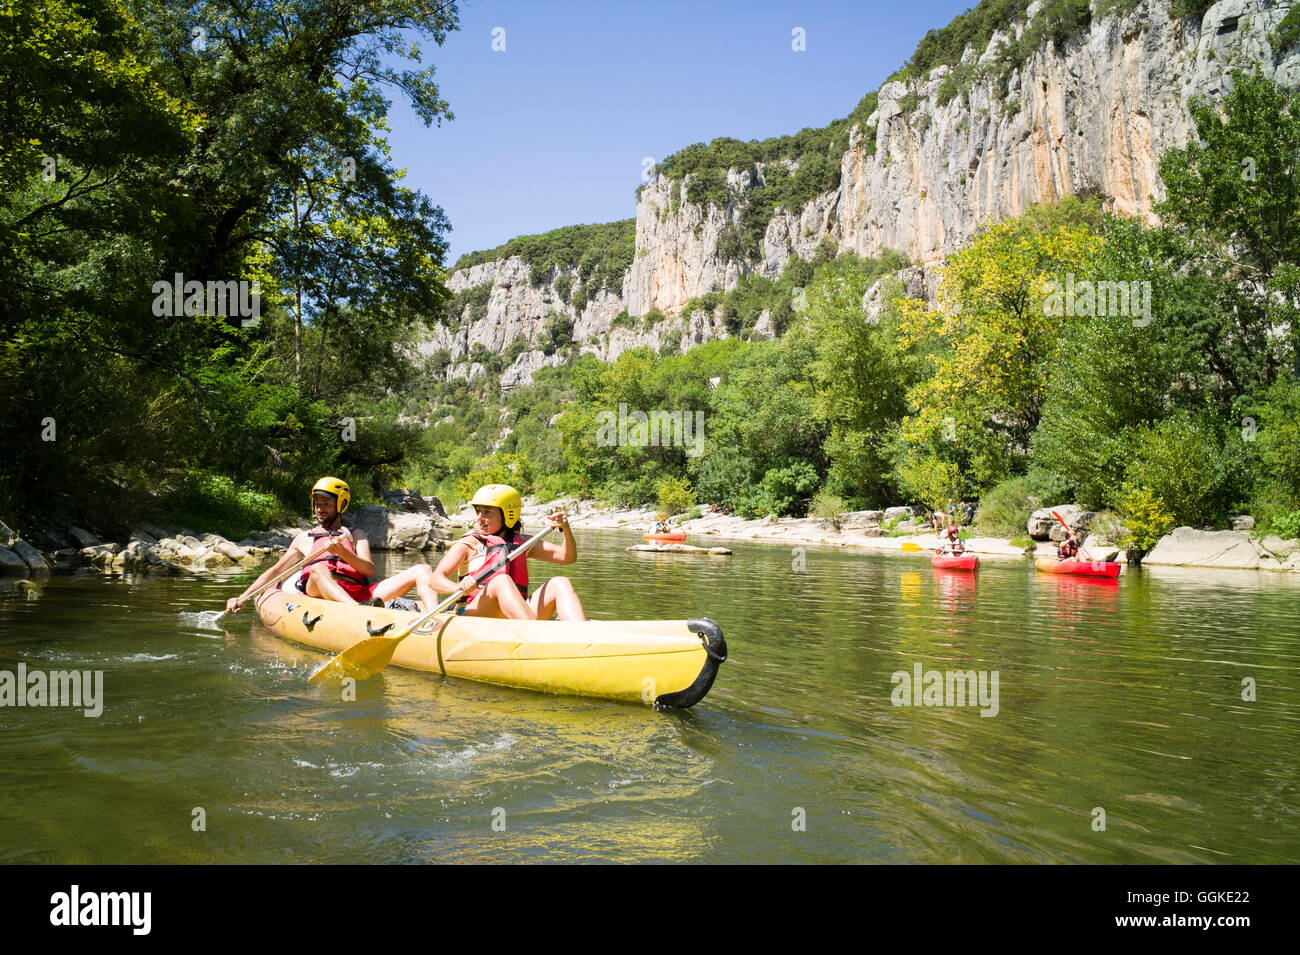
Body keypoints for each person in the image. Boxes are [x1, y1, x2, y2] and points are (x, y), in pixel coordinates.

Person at [225, 477, 440, 613]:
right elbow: (275, 572)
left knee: (423, 569)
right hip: (322, 591)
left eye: (326, 504)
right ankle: (357, 613)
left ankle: (434, 618)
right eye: (317, 504)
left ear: (341, 504)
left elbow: (367, 569)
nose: (320, 509)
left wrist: (343, 553)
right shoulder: (304, 538)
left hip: (361, 593)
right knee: (318, 569)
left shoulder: (357, 535)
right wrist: (242, 597)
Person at [430, 484, 586, 621]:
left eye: (487, 512)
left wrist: (566, 529)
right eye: (478, 512)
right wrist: (456, 588)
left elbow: (567, 557)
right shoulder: (469, 543)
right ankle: (535, 633)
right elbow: (435, 580)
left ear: (507, 515)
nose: (480, 518)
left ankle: (582, 636)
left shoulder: (523, 543)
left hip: (516, 614)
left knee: (560, 582)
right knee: (500, 581)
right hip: (475, 613)